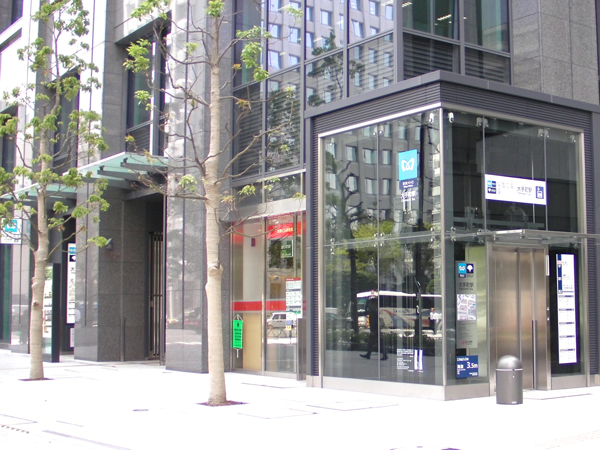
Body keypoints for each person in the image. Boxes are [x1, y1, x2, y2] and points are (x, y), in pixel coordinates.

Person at [360, 292, 387, 361]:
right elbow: (366, 311)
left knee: (377, 342)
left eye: (371, 304)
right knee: (373, 342)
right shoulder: (373, 311)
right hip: (374, 329)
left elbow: (376, 322)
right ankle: (369, 354)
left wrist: (374, 331)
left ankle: (383, 355)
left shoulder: (374, 312)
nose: (369, 305)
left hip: (375, 330)